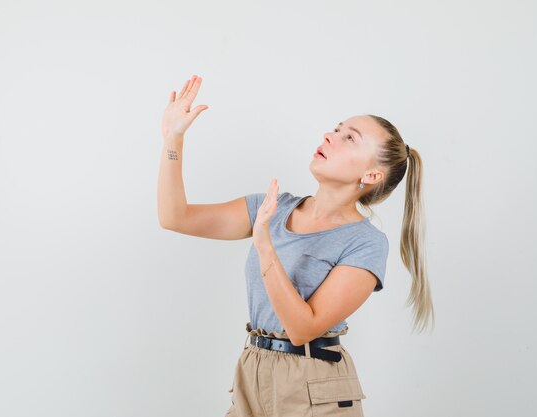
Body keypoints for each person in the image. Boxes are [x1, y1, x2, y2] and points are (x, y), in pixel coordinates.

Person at [158, 74, 434, 417]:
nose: (330, 136)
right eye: (336, 128)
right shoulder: (272, 208)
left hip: (314, 387)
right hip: (252, 373)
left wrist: (265, 247)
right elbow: (175, 217)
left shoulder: (366, 243)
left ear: (372, 176)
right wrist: (174, 137)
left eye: (350, 138)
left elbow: (302, 328)